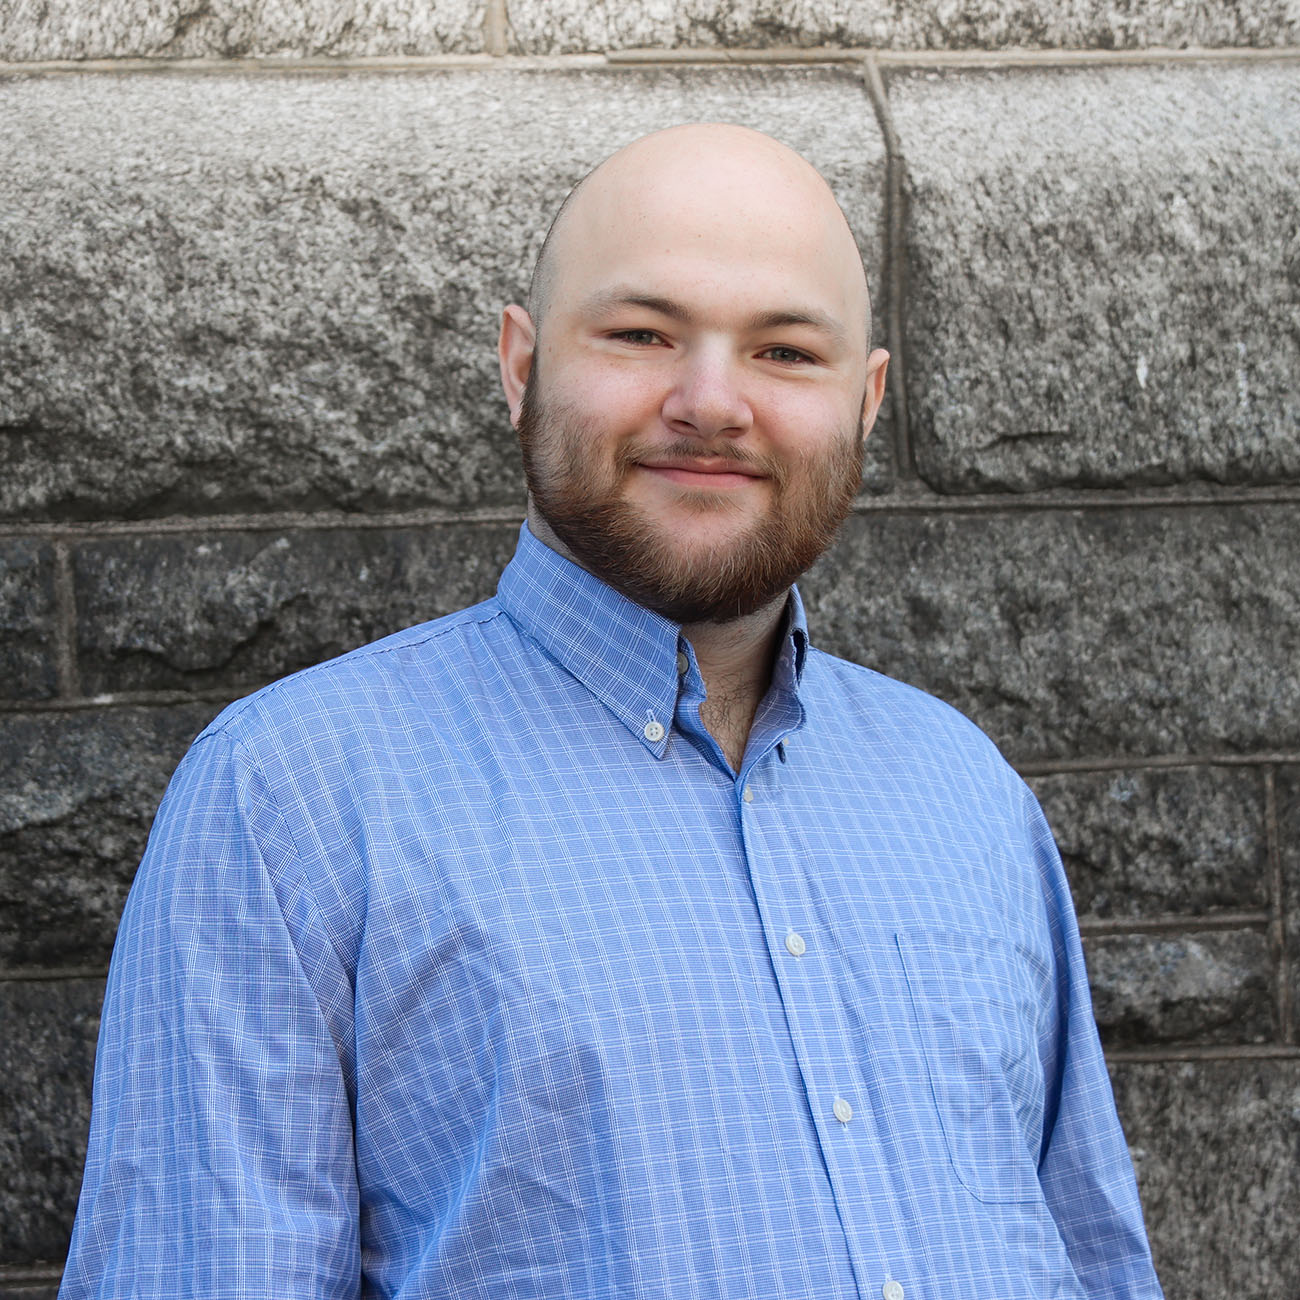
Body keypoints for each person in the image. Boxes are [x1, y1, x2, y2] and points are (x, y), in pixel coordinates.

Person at [60, 124, 1164, 1299]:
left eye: (786, 351)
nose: (712, 402)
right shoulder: (291, 804)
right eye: (641, 334)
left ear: (866, 400)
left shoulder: (967, 795)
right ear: (520, 365)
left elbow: (1090, 1257)